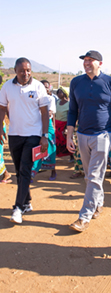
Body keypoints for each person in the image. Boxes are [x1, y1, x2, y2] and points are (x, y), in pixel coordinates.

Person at [66, 50, 111, 232]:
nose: (86, 63)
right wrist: (69, 135)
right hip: (82, 134)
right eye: (84, 60)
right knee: (88, 174)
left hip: (103, 135)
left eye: (90, 60)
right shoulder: (76, 82)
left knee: (94, 175)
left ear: (100, 63)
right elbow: (72, 111)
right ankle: (98, 202)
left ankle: (84, 217)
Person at [0, 58, 49, 224]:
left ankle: (18, 208)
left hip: (33, 134)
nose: (26, 73)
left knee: (25, 169)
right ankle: (27, 202)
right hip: (14, 134)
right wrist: (0, 127)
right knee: (19, 171)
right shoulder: (7, 87)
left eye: (28, 70)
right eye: (22, 70)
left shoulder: (38, 87)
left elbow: (44, 112)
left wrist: (44, 135)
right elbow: (1, 108)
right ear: (15, 70)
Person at [31, 80, 57, 181]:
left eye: (46, 87)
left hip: (47, 124)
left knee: (50, 148)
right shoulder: (34, 97)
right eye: (43, 86)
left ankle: (53, 170)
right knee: (37, 148)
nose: (45, 89)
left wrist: (53, 124)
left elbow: (50, 113)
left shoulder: (51, 98)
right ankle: (33, 171)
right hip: (37, 124)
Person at [55, 86, 72, 158]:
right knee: (57, 140)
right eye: (58, 92)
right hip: (57, 123)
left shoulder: (68, 104)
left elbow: (69, 116)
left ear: (65, 94)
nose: (58, 94)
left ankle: (71, 155)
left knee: (66, 140)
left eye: (60, 92)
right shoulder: (58, 102)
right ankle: (58, 154)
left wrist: (66, 127)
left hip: (64, 124)